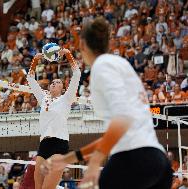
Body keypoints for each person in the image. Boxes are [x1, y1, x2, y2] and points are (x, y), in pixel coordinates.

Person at [42, 17, 172, 189]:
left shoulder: (102, 66)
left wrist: (95, 162)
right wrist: (68, 159)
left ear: (82, 45)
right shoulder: (120, 64)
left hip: (135, 158)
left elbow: (122, 119)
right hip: (158, 162)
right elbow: (117, 132)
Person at [27, 48, 81, 189]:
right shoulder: (43, 98)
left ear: (63, 88)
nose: (53, 83)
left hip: (59, 144)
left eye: (57, 82)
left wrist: (68, 54)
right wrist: (35, 60)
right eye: (53, 82)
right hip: (44, 145)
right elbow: (30, 78)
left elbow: (77, 74)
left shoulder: (66, 99)